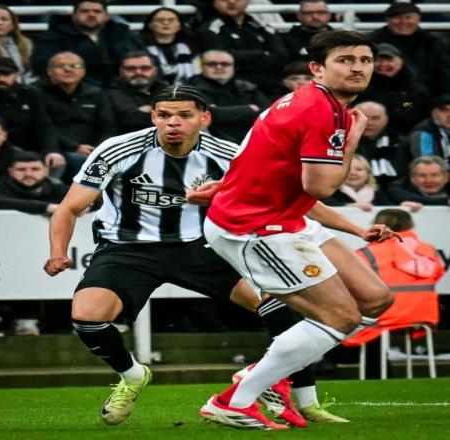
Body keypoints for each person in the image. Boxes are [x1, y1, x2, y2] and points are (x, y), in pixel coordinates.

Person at [43, 85, 344, 429]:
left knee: (283, 306)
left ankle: (306, 402)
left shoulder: (229, 154)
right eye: (164, 115)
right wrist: (58, 253)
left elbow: (289, 197)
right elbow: (69, 208)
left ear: (204, 118)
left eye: (184, 115)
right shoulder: (117, 149)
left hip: (202, 247)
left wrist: (355, 228)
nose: (173, 123)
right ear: (153, 117)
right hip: (128, 248)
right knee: (87, 318)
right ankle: (133, 375)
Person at [191, 30, 399, 430]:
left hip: (288, 218)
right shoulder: (323, 112)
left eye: (365, 60)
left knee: (375, 299)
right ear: (317, 68)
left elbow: (267, 164)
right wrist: (351, 144)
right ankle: (235, 400)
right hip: (254, 227)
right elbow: (319, 187)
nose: (358, 67)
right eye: (345, 60)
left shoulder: (308, 101)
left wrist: (355, 229)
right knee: (339, 316)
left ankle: (267, 372)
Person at [344, 208, 445, 379]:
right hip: (424, 314)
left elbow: (353, 283)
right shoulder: (428, 249)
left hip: (384, 314)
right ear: (410, 225)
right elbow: (438, 274)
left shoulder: (367, 252)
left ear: (376, 225)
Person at [35, 51, 116, 181]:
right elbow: (43, 127)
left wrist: (99, 148)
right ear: (49, 71)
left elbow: (108, 126)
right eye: (61, 66)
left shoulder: (95, 93)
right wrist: (75, 147)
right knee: (80, 161)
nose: (68, 70)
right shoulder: (36, 92)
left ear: (83, 71)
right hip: (56, 148)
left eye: (76, 66)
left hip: (92, 148)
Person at [31, 0, 145, 88]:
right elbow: (42, 65)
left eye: (97, 11)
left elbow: (145, 59)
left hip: (123, 89)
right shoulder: (53, 37)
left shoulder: (124, 35)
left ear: (106, 17)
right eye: (84, 11)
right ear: (73, 16)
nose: (91, 14)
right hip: (72, 91)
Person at [195, 0, 288, 96]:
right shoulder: (210, 29)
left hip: (271, 86)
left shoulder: (261, 26)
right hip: (234, 90)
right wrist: (261, 54)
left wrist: (243, 57)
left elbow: (281, 56)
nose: (231, 1)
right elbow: (224, 59)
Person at [187, 50, 271, 143]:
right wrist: (249, 109)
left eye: (225, 64)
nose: (219, 67)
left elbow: (268, 112)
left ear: (233, 67)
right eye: (212, 64)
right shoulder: (193, 88)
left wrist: (225, 113)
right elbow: (210, 115)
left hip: (253, 137)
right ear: (202, 66)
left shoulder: (246, 86)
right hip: (216, 142)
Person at [369, 3, 450, 97]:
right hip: (381, 94)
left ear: (418, 19)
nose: (403, 22)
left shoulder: (432, 42)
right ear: (388, 20)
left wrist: (445, 99)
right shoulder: (372, 41)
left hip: (426, 96)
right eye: (397, 18)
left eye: (408, 17)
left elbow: (444, 74)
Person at [355, 42, 432, 134]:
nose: (383, 64)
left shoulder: (417, 91)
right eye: (378, 60)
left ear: (401, 62)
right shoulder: (358, 88)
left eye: (389, 60)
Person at [0, 151, 69, 215]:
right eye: (21, 169)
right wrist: (46, 207)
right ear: (11, 172)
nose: (28, 174)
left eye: (35, 169)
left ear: (46, 171)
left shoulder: (60, 190)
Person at [353, 101, 410, 191]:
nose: (369, 123)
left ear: (385, 120)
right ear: (353, 118)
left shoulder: (400, 143)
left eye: (375, 118)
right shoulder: (340, 142)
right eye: (364, 118)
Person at [107, 51, 168, 135]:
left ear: (155, 70)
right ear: (121, 71)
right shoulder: (111, 92)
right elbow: (130, 119)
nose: (138, 72)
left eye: (145, 68)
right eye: (130, 69)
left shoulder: (166, 89)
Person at [139, 7, 200, 85]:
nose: (165, 23)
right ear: (150, 25)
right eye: (160, 20)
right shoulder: (140, 47)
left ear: (180, 25)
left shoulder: (191, 47)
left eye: (171, 20)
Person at [322, 154, 393, 211]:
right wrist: (347, 206)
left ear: (368, 173)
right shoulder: (329, 194)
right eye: (348, 169)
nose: (353, 173)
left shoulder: (380, 194)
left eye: (359, 169)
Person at [407, 94, 450, 169]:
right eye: (444, 111)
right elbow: (428, 167)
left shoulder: (446, 129)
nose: (449, 115)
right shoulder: (423, 133)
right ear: (434, 113)